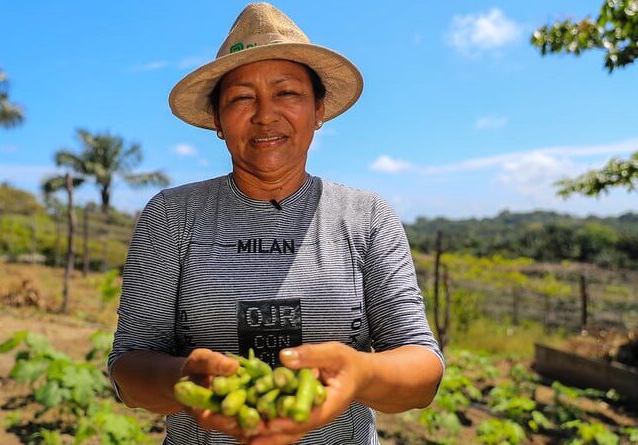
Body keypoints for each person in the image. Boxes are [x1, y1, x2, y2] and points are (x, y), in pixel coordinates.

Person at [109, 3, 443, 444]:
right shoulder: (172, 215)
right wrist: (183, 379)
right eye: (242, 97)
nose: (265, 114)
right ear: (217, 121)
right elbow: (128, 371)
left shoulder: (367, 216)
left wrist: (360, 373)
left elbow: (423, 372)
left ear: (319, 109)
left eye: (287, 93)